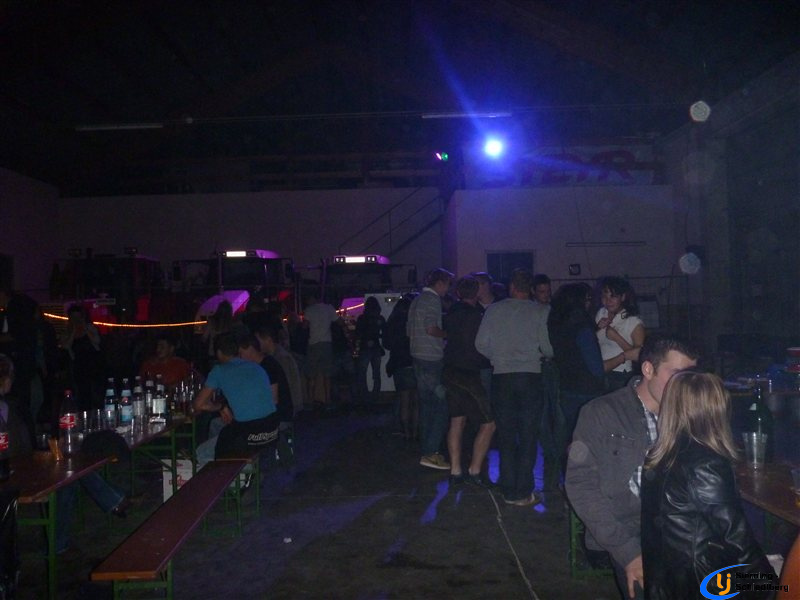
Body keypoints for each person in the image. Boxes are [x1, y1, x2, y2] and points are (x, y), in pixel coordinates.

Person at [566, 335, 698, 600]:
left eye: (688, 376)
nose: (683, 384)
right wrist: (628, 553)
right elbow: (581, 486)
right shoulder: (602, 412)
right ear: (648, 369)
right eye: (675, 374)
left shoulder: (690, 412)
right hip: (631, 532)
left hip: (684, 529)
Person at [640, 370, 775, 600]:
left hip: (667, 585)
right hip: (704, 586)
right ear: (715, 410)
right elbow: (738, 541)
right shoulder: (705, 464)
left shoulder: (658, 458)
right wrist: (772, 587)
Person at [475, 268, 553, 506]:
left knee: (506, 435)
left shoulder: (494, 310)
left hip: (502, 378)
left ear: (511, 287)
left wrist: (498, 357)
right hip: (530, 377)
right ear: (530, 289)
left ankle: (508, 489)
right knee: (529, 436)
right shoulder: (541, 310)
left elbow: (480, 344)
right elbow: (548, 348)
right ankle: (523, 491)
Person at [193, 332, 278, 469]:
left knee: (201, 452)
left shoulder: (219, 371)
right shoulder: (256, 367)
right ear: (237, 350)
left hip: (250, 434)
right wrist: (222, 407)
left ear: (219, 353)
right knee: (222, 429)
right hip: (272, 430)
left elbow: (198, 405)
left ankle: (228, 478)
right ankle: (244, 471)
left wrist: (219, 407)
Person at [443, 276, 494, 487]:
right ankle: (474, 471)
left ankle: (456, 471)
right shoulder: (476, 316)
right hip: (468, 373)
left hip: (450, 371)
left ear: (457, 293)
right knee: (489, 423)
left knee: (457, 420)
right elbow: (479, 346)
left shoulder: (451, 313)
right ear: (476, 293)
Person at [547, 283, 604, 454]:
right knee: (591, 439)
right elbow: (595, 366)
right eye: (587, 299)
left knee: (572, 436)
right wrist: (623, 357)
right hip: (587, 389)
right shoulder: (582, 325)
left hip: (567, 386)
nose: (589, 303)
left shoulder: (557, 323)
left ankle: (569, 469)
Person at [408, 268, 453, 470]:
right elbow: (431, 328)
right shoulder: (433, 300)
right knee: (442, 406)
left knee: (426, 407)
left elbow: (409, 331)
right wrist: (448, 334)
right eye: (448, 284)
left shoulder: (417, 300)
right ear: (440, 283)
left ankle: (427, 451)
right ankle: (431, 452)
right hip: (431, 359)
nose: (448, 289)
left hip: (417, 357)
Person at [595, 277, 645, 391]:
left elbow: (639, 355)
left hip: (620, 375)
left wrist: (617, 338)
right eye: (604, 296)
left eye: (613, 296)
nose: (608, 301)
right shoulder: (601, 313)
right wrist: (597, 328)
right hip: (600, 370)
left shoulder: (633, 321)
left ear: (622, 297)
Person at [384, 294, 417, 440]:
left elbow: (387, 344)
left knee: (403, 399)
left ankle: (405, 432)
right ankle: (415, 431)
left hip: (399, 362)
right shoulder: (413, 321)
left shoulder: (392, 322)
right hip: (413, 361)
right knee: (415, 401)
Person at [62, 304, 104, 411]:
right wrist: (73, 331)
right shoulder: (68, 330)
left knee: (95, 394)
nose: (76, 319)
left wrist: (85, 329)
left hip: (93, 366)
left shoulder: (90, 327)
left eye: (78, 316)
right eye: (73, 317)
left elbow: (97, 341)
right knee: (81, 394)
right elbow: (66, 346)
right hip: (78, 367)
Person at [302, 293, 340, 408]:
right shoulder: (329, 308)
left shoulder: (309, 310)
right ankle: (327, 400)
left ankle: (310, 400)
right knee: (327, 374)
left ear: (312, 298)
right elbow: (339, 322)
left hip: (314, 344)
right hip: (327, 343)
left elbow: (304, 326)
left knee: (311, 374)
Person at [354, 296, 386, 407]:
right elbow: (385, 332)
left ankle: (365, 396)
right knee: (376, 373)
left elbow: (358, 333)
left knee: (362, 373)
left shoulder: (362, 318)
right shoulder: (379, 318)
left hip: (365, 347)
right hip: (376, 347)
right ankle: (375, 396)